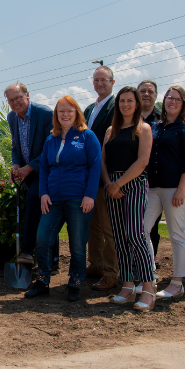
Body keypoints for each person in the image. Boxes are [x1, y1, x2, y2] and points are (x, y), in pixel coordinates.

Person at [32, 96, 101, 302]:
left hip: (78, 199)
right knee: (43, 239)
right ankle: (43, 281)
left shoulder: (87, 136)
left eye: (69, 110)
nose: (65, 114)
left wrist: (90, 195)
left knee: (78, 245)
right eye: (61, 111)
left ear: (76, 113)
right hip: (53, 199)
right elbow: (44, 167)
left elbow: (95, 166)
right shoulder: (50, 138)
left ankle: (75, 283)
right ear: (56, 115)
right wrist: (43, 193)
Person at [101, 86, 155, 311]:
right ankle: (127, 285)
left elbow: (142, 161)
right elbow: (102, 160)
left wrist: (118, 184)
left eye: (129, 101)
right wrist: (108, 184)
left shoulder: (144, 129)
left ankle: (148, 288)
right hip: (111, 184)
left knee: (135, 235)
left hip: (133, 183)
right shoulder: (110, 130)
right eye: (122, 101)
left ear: (137, 103)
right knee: (119, 237)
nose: (125, 104)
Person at [142, 86, 185, 299]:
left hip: (176, 188)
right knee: (142, 231)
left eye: (177, 99)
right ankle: (150, 276)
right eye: (169, 98)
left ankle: (177, 283)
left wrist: (182, 189)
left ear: (183, 103)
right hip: (153, 188)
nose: (172, 102)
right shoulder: (155, 126)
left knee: (176, 234)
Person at [4, 83, 58, 297]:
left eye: (18, 98)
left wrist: (30, 167)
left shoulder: (45, 114)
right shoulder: (12, 118)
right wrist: (16, 165)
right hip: (26, 171)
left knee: (36, 199)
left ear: (27, 95)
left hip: (47, 170)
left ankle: (27, 251)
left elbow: (49, 148)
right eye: (11, 100)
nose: (15, 103)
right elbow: (15, 147)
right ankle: (53, 261)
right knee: (43, 212)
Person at [85, 66, 119, 291]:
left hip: (106, 171)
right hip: (89, 175)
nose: (99, 84)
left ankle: (111, 272)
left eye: (103, 80)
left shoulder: (117, 106)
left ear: (112, 82)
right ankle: (95, 265)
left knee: (108, 227)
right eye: (96, 80)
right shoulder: (89, 108)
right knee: (93, 225)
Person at [138, 79, 163, 256]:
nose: (146, 94)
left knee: (151, 227)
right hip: (130, 182)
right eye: (142, 91)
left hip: (154, 183)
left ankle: (149, 262)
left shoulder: (163, 120)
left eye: (150, 91)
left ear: (156, 95)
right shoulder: (127, 117)